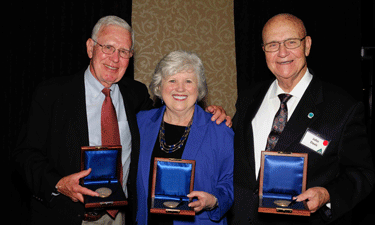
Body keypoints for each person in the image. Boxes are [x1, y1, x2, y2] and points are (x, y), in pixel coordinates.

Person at [13, 16, 230, 225]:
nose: (115, 58)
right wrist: (58, 184)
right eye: (108, 47)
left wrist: (215, 111)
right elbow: (25, 154)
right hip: (65, 215)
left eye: (124, 51)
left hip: (121, 218)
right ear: (90, 48)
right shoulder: (52, 94)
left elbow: (176, 111)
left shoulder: (135, 95)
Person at [231, 13, 374, 225]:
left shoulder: (343, 108)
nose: (282, 53)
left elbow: (362, 174)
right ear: (263, 51)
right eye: (272, 44)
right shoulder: (247, 99)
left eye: (291, 42)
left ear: (307, 45)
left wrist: (326, 195)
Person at [136, 50, 234, 225]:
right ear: (159, 87)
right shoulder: (140, 123)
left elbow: (232, 181)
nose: (180, 88)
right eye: (172, 80)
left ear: (199, 88)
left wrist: (214, 201)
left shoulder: (220, 130)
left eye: (188, 81)